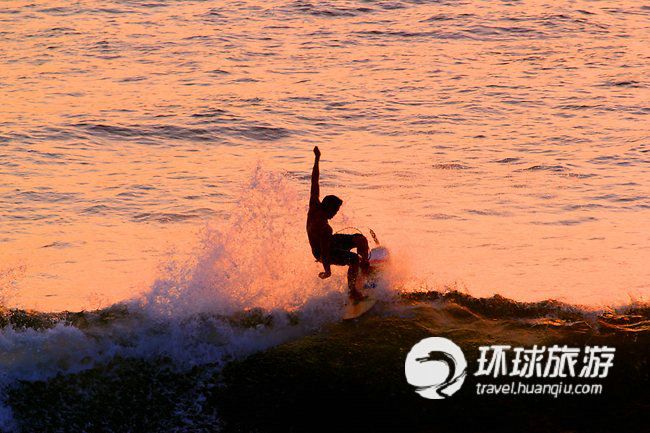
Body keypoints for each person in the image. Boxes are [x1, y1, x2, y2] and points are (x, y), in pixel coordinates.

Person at [306, 146, 370, 302]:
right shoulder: (323, 228)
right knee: (353, 259)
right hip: (322, 252)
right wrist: (327, 271)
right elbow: (326, 251)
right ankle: (352, 292)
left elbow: (314, 181)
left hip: (331, 242)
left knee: (361, 239)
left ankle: (366, 266)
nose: (335, 214)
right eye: (335, 211)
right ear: (329, 208)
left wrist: (317, 159)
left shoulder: (315, 205)